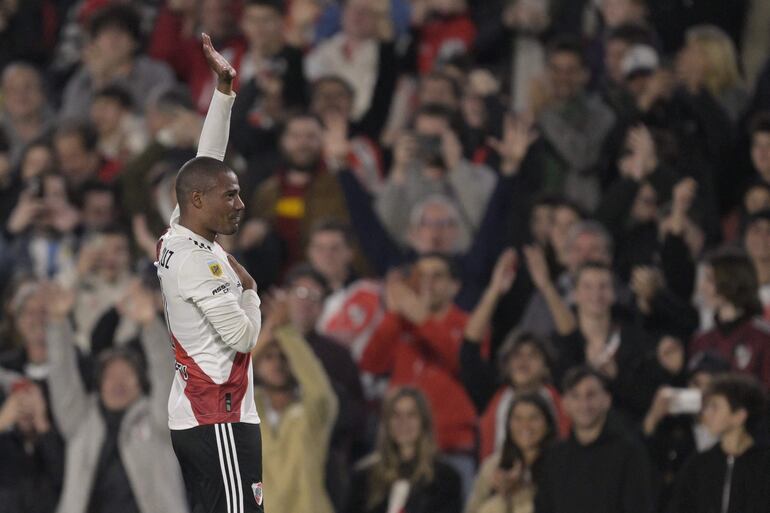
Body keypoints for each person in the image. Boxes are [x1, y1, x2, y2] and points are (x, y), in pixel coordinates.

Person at [156, 35, 265, 512]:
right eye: (231, 196)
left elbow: (209, 162)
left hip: (199, 413)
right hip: (218, 415)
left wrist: (223, 92)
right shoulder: (200, 263)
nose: (240, 204)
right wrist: (252, 292)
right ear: (198, 201)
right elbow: (242, 337)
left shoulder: (181, 230)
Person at [45, 281, 188, 513]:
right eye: (110, 375)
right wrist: (58, 323)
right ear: (99, 384)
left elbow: (165, 375)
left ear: (141, 383)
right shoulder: (80, 421)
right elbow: (62, 376)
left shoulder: (160, 420)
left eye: (127, 374)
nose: (118, 382)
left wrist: (150, 325)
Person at [251, 294, 338, 513]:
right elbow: (222, 393)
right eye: (269, 357)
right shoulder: (248, 411)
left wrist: (288, 333)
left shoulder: (312, 411)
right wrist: (263, 338)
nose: (277, 364)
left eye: (283, 357)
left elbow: (320, 392)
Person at [535, 366, 655, 513]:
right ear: (564, 404)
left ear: (607, 400)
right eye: (575, 396)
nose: (584, 404)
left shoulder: (629, 453)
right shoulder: (554, 456)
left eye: (591, 395)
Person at [346, 387, 463, 513]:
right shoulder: (363, 477)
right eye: (396, 415)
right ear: (387, 423)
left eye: (411, 415)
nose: (403, 422)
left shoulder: (446, 479)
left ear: (423, 423)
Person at [668, 373, 770, 513]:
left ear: (739, 416)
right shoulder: (698, 465)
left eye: (714, 407)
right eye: (706, 406)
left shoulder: (764, 464)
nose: (706, 413)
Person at [690, 248, 770, 388]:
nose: (702, 287)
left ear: (732, 282)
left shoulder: (763, 338)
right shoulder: (701, 341)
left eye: (710, 280)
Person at [465, 394, 558, 513]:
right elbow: (473, 509)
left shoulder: (560, 464)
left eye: (533, 418)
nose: (525, 425)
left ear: (548, 424)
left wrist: (520, 490)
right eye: (518, 419)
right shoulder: (492, 466)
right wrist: (503, 495)